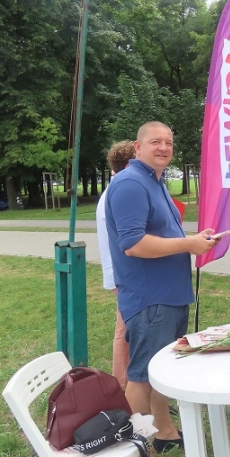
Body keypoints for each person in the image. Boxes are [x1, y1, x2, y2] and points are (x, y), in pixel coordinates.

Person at [105, 121, 220, 457]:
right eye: (156, 141)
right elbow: (133, 244)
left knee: (161, 372)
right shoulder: (130, 183)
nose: (164, 147)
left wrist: (194, 239)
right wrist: (188, 244)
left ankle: (165, 432)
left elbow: (163, 234)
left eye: (169, 142)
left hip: (170, 296)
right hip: (150, 299)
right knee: (140, 377)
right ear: (137, 147)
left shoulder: (154, 181)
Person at [96, 140, 135, 391]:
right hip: (123, 274)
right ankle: (121, 387)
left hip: (119, 273)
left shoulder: (115, 190)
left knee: (125, 328)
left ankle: (126, 385)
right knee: (125, 331)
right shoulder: (119, 193)